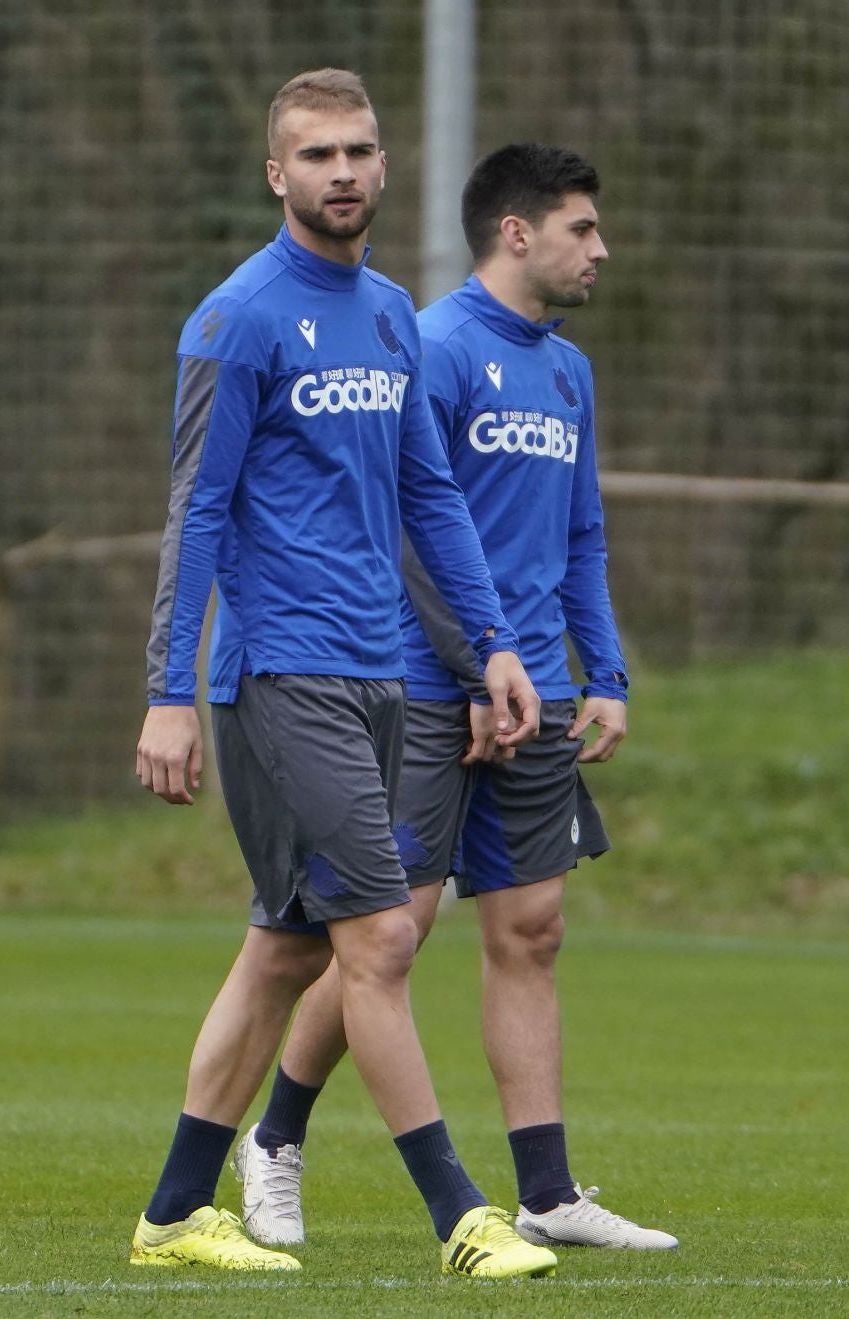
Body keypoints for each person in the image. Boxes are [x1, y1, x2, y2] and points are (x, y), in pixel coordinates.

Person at [130, 72, 558, 1281]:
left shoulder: (386, 316)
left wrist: (496, 649)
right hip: (280, 673)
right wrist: (172, 689)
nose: (344, 172)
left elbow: (431, 497)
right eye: (316, 153)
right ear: (277, 174)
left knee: (286, 947)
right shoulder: (235, 319)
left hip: (385, 674)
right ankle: (463, 1216)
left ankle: (172, 1210)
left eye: (361, 150)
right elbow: (196, 513)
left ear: (383, 162)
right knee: (377, 933)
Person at [235, 143, 679, 1252]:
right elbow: (409, 530)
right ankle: (273, 1139)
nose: (601, 250)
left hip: (536, 687)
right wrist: (476, 663)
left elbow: (581, 532)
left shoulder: (568, 371)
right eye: (584, 228)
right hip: (430, 684)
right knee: (389, 934)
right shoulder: (428, 345)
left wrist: (604, 672)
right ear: (518, 232)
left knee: (532, 928)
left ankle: (547, 1191)